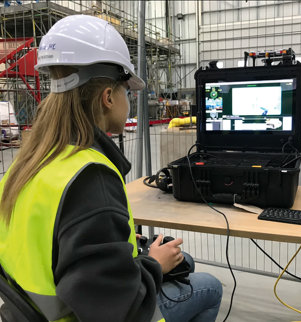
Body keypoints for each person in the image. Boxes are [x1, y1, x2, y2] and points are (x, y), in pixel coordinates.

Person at [0, 15, 222, 322]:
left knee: (186, 262)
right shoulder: (90, 179)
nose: (129, 99)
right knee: (209, 287)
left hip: (36, 311)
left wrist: (138, 255)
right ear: (107, 97)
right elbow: (120, 309)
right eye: (126, 90)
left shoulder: (27, 164)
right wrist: (153, 265)